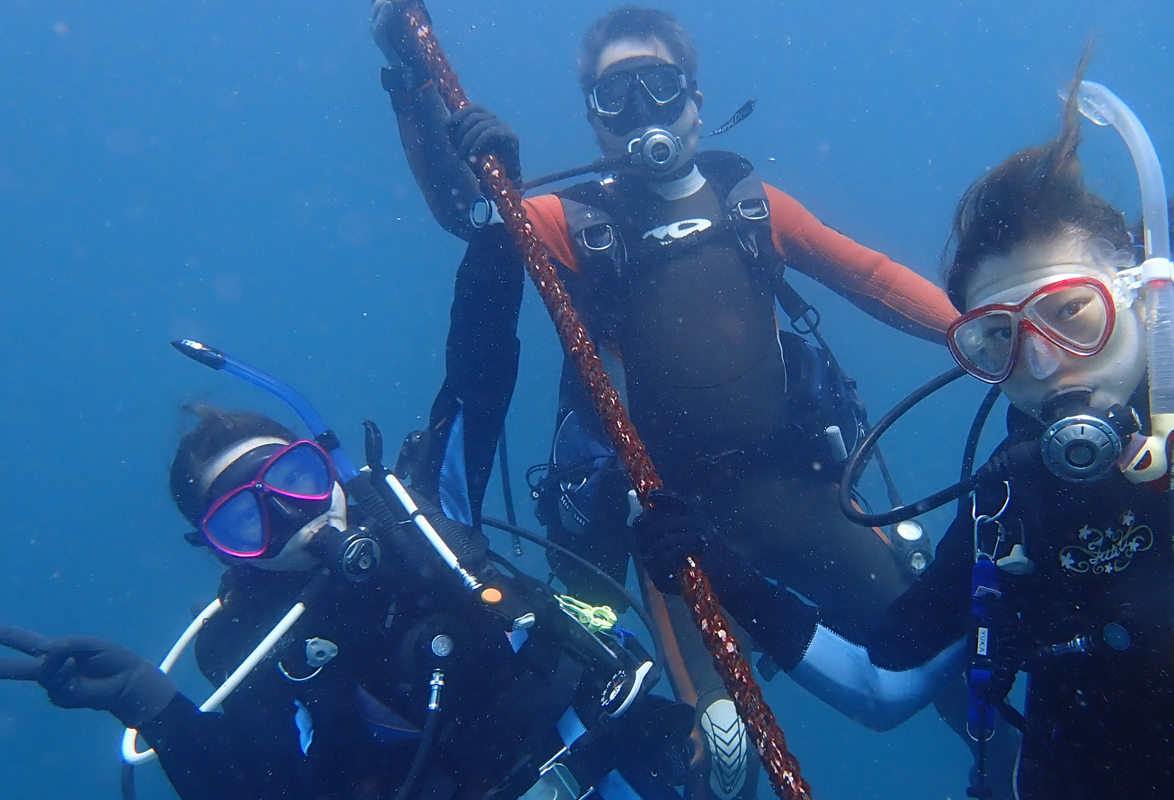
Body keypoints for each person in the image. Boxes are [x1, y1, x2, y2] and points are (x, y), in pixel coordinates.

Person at [637, 59, 1174, 799]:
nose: (1047, 363)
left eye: (1071, 314)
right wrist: (720, 574)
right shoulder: (1007, 500)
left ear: (1144, 296)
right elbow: (885, 688)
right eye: (1000, 338)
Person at [369, 6, 962, 798]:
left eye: (660, 85)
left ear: (696, 101)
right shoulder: (576, 223)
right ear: (593, 122)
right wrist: (426, 101)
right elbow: (472, 218)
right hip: (673, 524)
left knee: (935, 652)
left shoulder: (754, 207)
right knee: (719, 757)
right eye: (616, 97)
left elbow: (876, 280)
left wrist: (992, 339)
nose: (643, 111)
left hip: (791, 492)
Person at [1, 405, 692, 800]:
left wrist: (484, 216)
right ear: (223, 551)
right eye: (248, 519)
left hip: (621, 750)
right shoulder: (252, 646)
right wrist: (152, 707)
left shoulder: (423, 513)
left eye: (297, 481)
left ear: (329, 468)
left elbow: (480, 360)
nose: (296, 521)